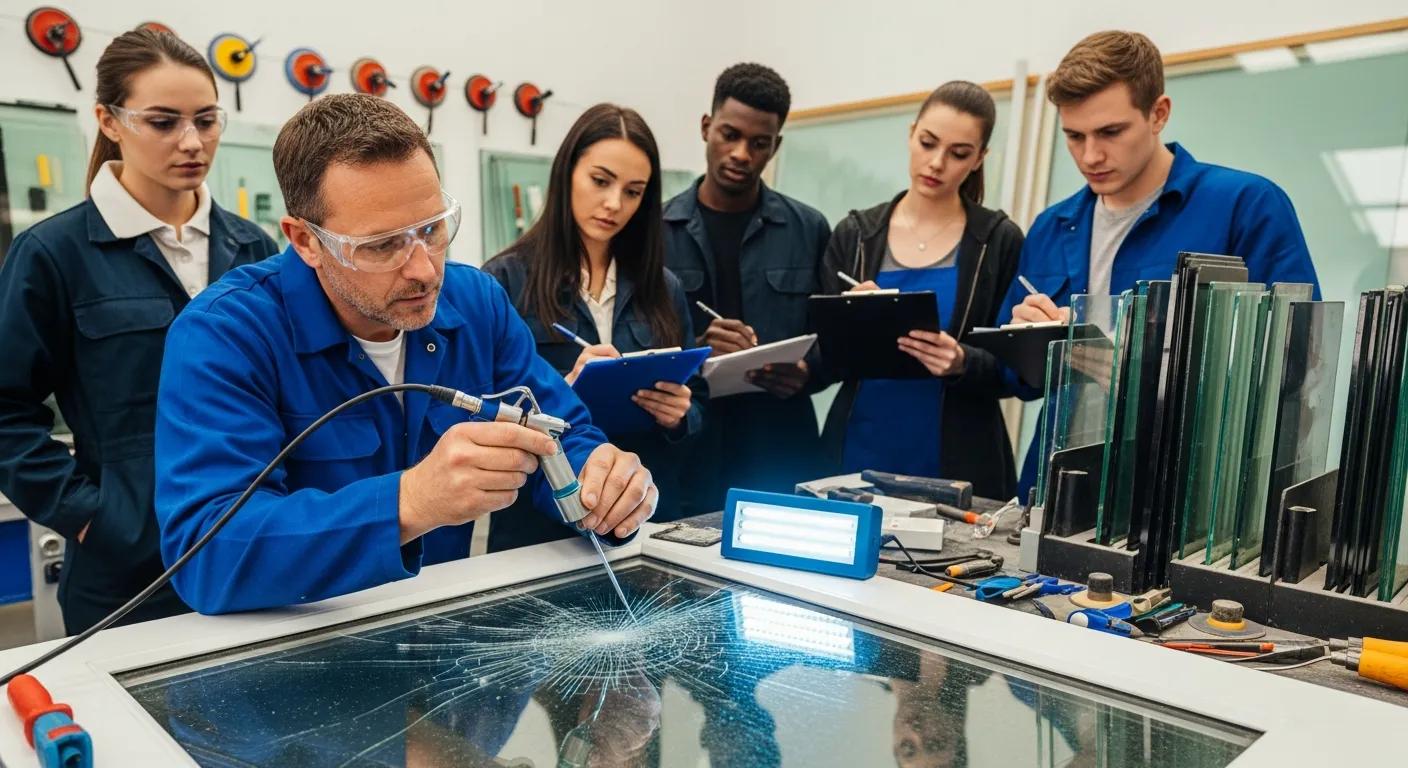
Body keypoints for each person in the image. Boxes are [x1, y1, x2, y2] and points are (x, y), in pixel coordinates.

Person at [154, 94, 656, 614]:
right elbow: (207, 556)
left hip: (449, 637)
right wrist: (409, 503)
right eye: (380, 246)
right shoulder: (225, 336)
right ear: (305, 241)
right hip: (305, 652)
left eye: (432, 229)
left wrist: (604, 481)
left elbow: (562, 431)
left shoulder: (477, 304)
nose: (424, 270)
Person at [0, 29, 275, 634]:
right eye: (163, 121)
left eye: (206, 120)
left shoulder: (254, 250)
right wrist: (90, 515)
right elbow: (5, 411)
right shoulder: (54, 254)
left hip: (253, 548)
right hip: (124, 575)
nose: (192, 141)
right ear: (109, 120)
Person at [1002, 30, 1321, 495]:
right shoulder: (1052, 226)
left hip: (1186, 498)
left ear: (1159, 114)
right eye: (1074, 136)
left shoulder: (1246, 206)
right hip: (1059, 490)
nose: (1090, 155)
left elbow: (1298, 364)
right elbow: (1022, 382)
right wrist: (1028, 336)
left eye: (1110, 132)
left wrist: (1145, 370)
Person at [483, 104, 702, 551]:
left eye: (634, 191)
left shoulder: (663, 287)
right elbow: (480, 415)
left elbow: (702, 410)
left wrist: (681, 415)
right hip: (540, 531)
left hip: (642, 521)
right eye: (600, 181)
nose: (614, 204)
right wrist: (557, 391)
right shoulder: (503, 281)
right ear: (567, 173)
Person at [819, 81, 1024, 499]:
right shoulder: (855, 235)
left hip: (960, 463)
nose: (936, 163)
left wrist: (964, 361)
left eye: (959, 153)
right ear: (911, 133)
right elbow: (821, 357)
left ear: (980, 158)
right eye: (928, 143)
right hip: (856, 454)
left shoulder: (999, 241)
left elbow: (1019, 371)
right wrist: (848, 325)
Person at [663, 63, 831, 514]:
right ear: (706, 128)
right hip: (690, 444)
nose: (741, 153)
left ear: (775, 146)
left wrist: (806, 372)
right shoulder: (657, 232)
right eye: (729, 135)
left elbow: (832, 343)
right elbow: (633, 343)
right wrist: (696, 350)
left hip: (780, 444)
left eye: (758, 144)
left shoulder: (809, 229)